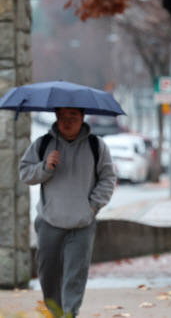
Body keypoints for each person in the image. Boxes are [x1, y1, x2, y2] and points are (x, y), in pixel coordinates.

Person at [19, 108, 116, 317]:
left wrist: (92, 206)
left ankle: (69, 313)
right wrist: (45, 167)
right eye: (62, 117)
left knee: (75, 275)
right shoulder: (43, 144)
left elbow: (108, 178)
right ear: (56, 118)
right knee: (48, 274)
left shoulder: (96, 146)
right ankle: (55, 312)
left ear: (82, 118)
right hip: (49, 221)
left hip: (82, 223)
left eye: (73, 117)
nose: (67, 122)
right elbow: (25, 174)